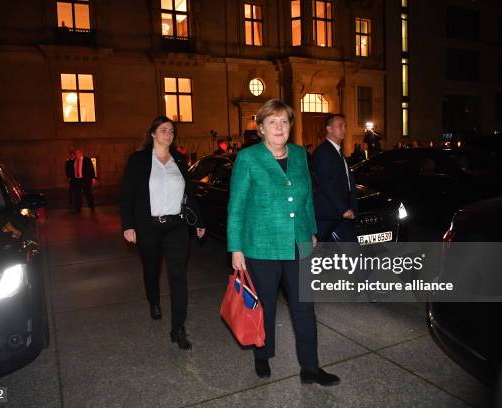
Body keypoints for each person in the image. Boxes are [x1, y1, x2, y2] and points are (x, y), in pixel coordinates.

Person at [228, 99, 340, 386]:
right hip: (261, 246)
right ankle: (262, 355)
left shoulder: (301, 154)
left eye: (284, 122)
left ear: (291, 126)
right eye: (272, 122)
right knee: (264, 305)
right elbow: (237, 205)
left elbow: (306, 197)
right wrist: (236, 248)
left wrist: (311, 230)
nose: (279, 127)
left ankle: (311, 367)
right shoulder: (248, 158)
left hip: (298, 242)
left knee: (304, 305)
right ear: (261, 128)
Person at [120, 116, 206, 350]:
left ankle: (178, 328)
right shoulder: (138, 160)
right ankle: (154, 300)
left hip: (176, 226)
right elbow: (127, 194)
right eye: (164, 129)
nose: (168, 134)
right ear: (152, 134)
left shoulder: (178, 159)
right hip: (148, 226)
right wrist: (128, 225)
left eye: (171, 131)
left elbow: (188, 192)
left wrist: (198, 221)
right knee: (152, 268)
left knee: (178, 276)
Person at [312, 114, 357, 243]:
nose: (344, 129)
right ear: (329, 129)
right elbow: (327, 183)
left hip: (339, 214)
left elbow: (347, 182)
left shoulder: (338, 151)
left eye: (345, 126)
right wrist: (344, 208)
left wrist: (352, 206)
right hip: (330, 215)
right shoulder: (323, 152)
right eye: (340, 126)